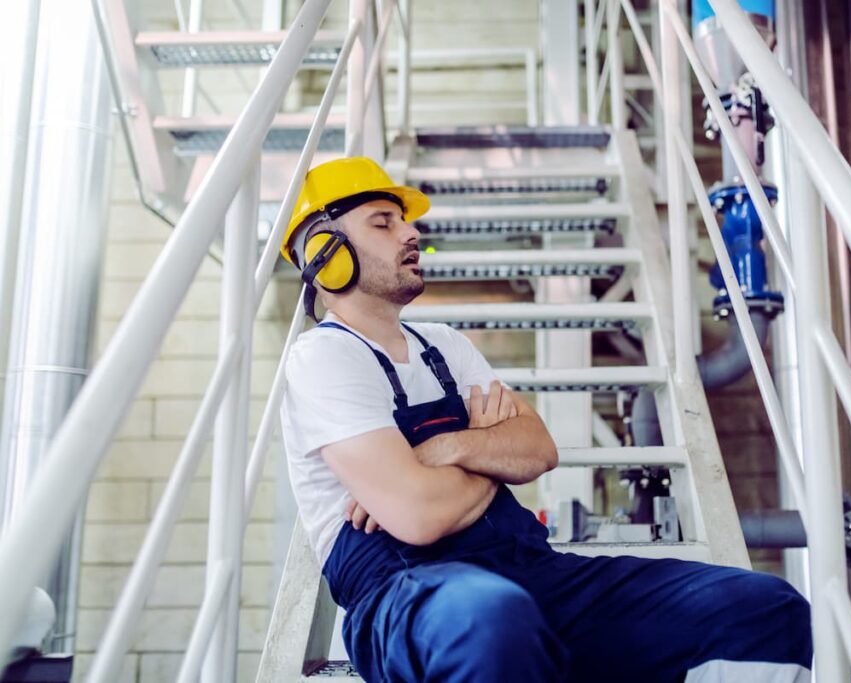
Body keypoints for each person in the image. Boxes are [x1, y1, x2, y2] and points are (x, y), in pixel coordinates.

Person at [279, 157, 813, 682]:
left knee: (764, 606)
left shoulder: (443, 345)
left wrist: (444, 449)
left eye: (405, 219)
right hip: (408, 595)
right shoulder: (323, 359)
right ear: (328, 255)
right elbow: (420, 516)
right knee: (489, 621)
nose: (411, 232)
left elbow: (537, 451)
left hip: (532, 571)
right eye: (384, 222)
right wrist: (486, 448)